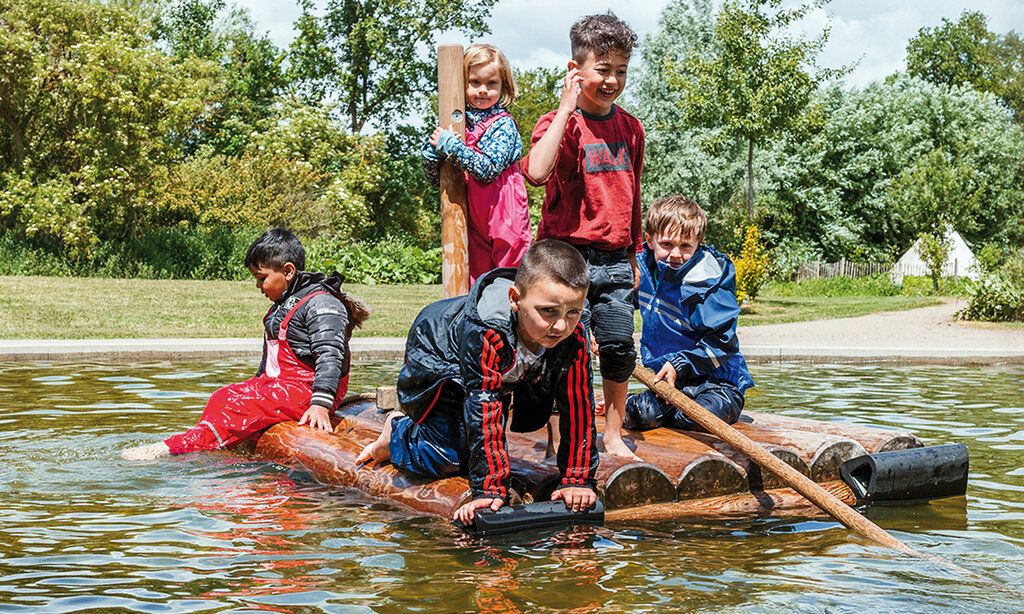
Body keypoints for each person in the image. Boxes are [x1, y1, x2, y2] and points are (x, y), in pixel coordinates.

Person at [355, 239, 599, 525]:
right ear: (515, 299)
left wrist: (577, 479)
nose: (561, 325)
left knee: (479, 444)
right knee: (448, 457)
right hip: (438, 355)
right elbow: (483, 404)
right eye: (548, 311)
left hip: (502, 373)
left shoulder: (573, 335)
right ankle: (398, 432)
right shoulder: (487, 330)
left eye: (573, 312)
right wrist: (490, 489)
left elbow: (579, 404)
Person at [121, 228, 370, 461]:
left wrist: (320, 404)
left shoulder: (322, 304)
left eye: (262, 278)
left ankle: (177, 448)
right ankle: (211, 444)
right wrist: (255, 384)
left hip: (308, 391)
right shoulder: (286, 304)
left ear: (288, 271)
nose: (258, 286)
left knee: (237, 406)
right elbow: (270, 362)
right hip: (280, 386)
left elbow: (330, 355)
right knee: (223, 396)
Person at [520, 12, 643, 459]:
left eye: (621, 71)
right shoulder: (559, 122)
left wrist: (634, 253)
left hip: (614, 257)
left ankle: (612, 434)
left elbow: (634, 193)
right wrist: (565, 109)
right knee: (565, 348)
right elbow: (536, 172)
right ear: (576, 69)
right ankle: (560, 440)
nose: (612, 81)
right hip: (565, 256)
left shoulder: (631, 128)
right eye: (603, 69)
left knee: (618, 346)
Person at [625, 195, 755, 432]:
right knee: (640, 416)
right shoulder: (639, 270)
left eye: (686, 246)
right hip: (668, 382)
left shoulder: (708, 278)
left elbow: (723, 342)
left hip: (717, 383)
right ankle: (630, 404)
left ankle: (674, 409)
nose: (675, 254)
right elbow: (618, 300)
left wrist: (680, 363)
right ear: (650, 240)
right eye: (667, 244)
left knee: (700, 417)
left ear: (698, 243)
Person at [423, 43, 531, 283]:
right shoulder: (459, 124)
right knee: (476, 278)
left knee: (511, 275)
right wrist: (432, 155)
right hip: (472, 213)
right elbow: (434, 180)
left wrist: (452, 148)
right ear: (462, 83)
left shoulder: (503, 124)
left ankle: (514, 307)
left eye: (491, 83)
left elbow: (487, 169)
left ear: (503, 86)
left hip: (505, 213)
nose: (483, 90)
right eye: (474, 82)